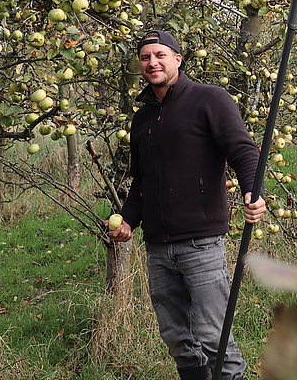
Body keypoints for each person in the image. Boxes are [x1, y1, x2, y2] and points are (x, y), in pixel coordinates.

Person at [109, 29, 266, 380]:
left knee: (214, 338)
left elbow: (243, 151)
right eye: (145, 57)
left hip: (201, 244)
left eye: (160, 55)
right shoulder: (142, 118)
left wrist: (253, 191)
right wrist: (129, 220)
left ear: (177, 59)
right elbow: (141, 180)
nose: (152, 63)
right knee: (178, 339)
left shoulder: (210, 99)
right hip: (158, 248)